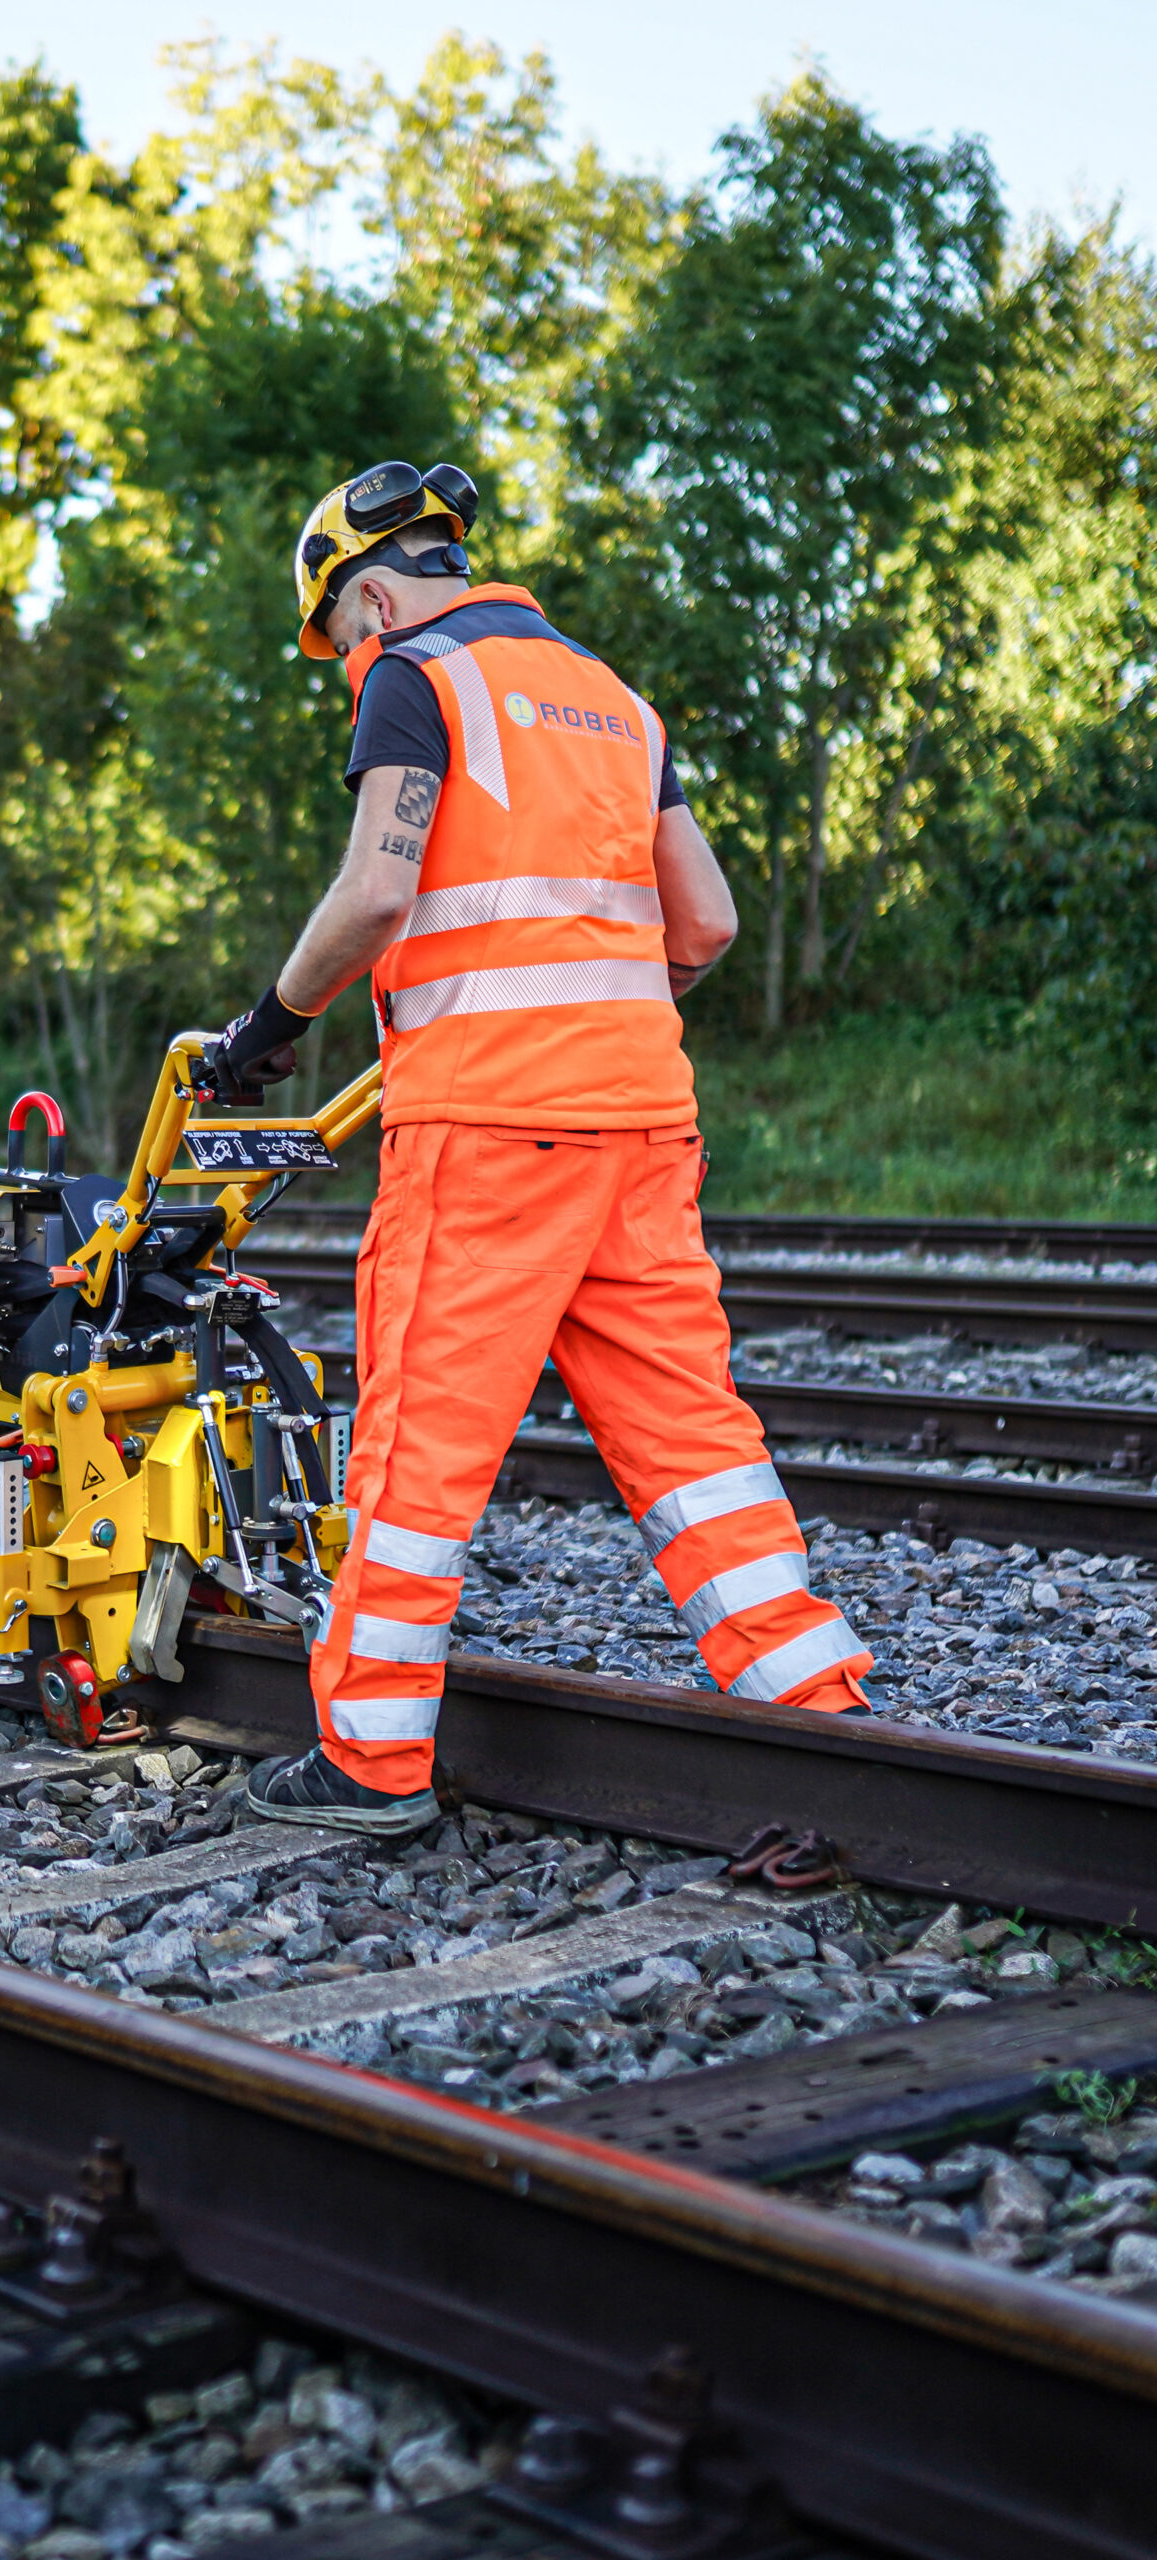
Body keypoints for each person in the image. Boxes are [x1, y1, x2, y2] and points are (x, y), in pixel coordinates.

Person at [211, 459, 873, 1835]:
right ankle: (817, 1711)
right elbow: (709, 926)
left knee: (416, 1448)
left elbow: (377, 890)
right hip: (643, 1122)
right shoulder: (617, 701)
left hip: (491, 1127)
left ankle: (370, 1762)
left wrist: (263, 1030)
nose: (343, 660)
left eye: (334, 635)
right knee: (693, 1434)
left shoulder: (414, 674)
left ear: (367, 592)